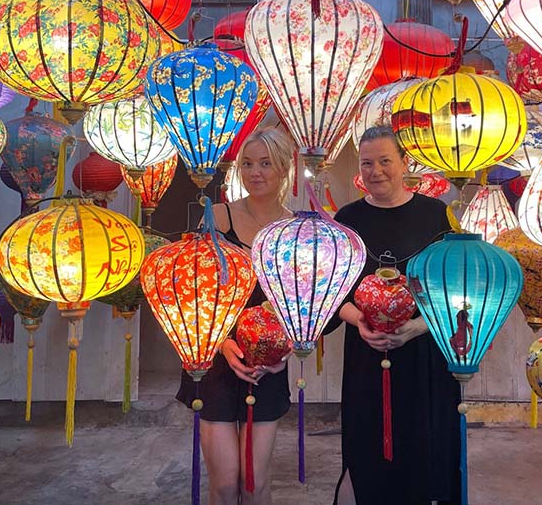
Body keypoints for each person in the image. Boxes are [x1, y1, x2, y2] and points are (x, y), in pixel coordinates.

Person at [327, 126, 460, 505]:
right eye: (367, 163)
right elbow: (335, 290)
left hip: (424, 354)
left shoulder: (437, 216)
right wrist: (360, 322)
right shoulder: (348, 218)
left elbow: (453, 287)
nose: (376, 171)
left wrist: (419, 327)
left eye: (385, 161)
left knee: (423, 443)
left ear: (405, 163)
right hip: (366, 355)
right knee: (367, 443)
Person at [176, 126, 295, 505]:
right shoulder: (217, 218)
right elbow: (195, 291)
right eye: (247, 163)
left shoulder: (295, 229)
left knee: (254, 481)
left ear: (283, 169)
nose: (255, 172)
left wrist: (285, 349)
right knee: (226, 483)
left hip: (269, 363)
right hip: (215, 357)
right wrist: (224, 344)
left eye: (265, 163)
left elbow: (302, 302)